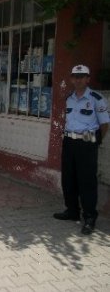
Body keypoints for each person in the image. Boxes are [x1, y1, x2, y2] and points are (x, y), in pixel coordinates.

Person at [53, 65, 109, 235]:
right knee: (68, 179)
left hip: (87, 143)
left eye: (81, 76)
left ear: (87, 79)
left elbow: (104, 124)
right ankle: (72, 211)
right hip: (69, 141)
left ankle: (90, 217)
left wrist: (95, 141)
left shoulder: (96, 98)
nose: (78, 80)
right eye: (75, 77)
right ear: (71, 79)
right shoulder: (69, 98)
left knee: (87, 181)